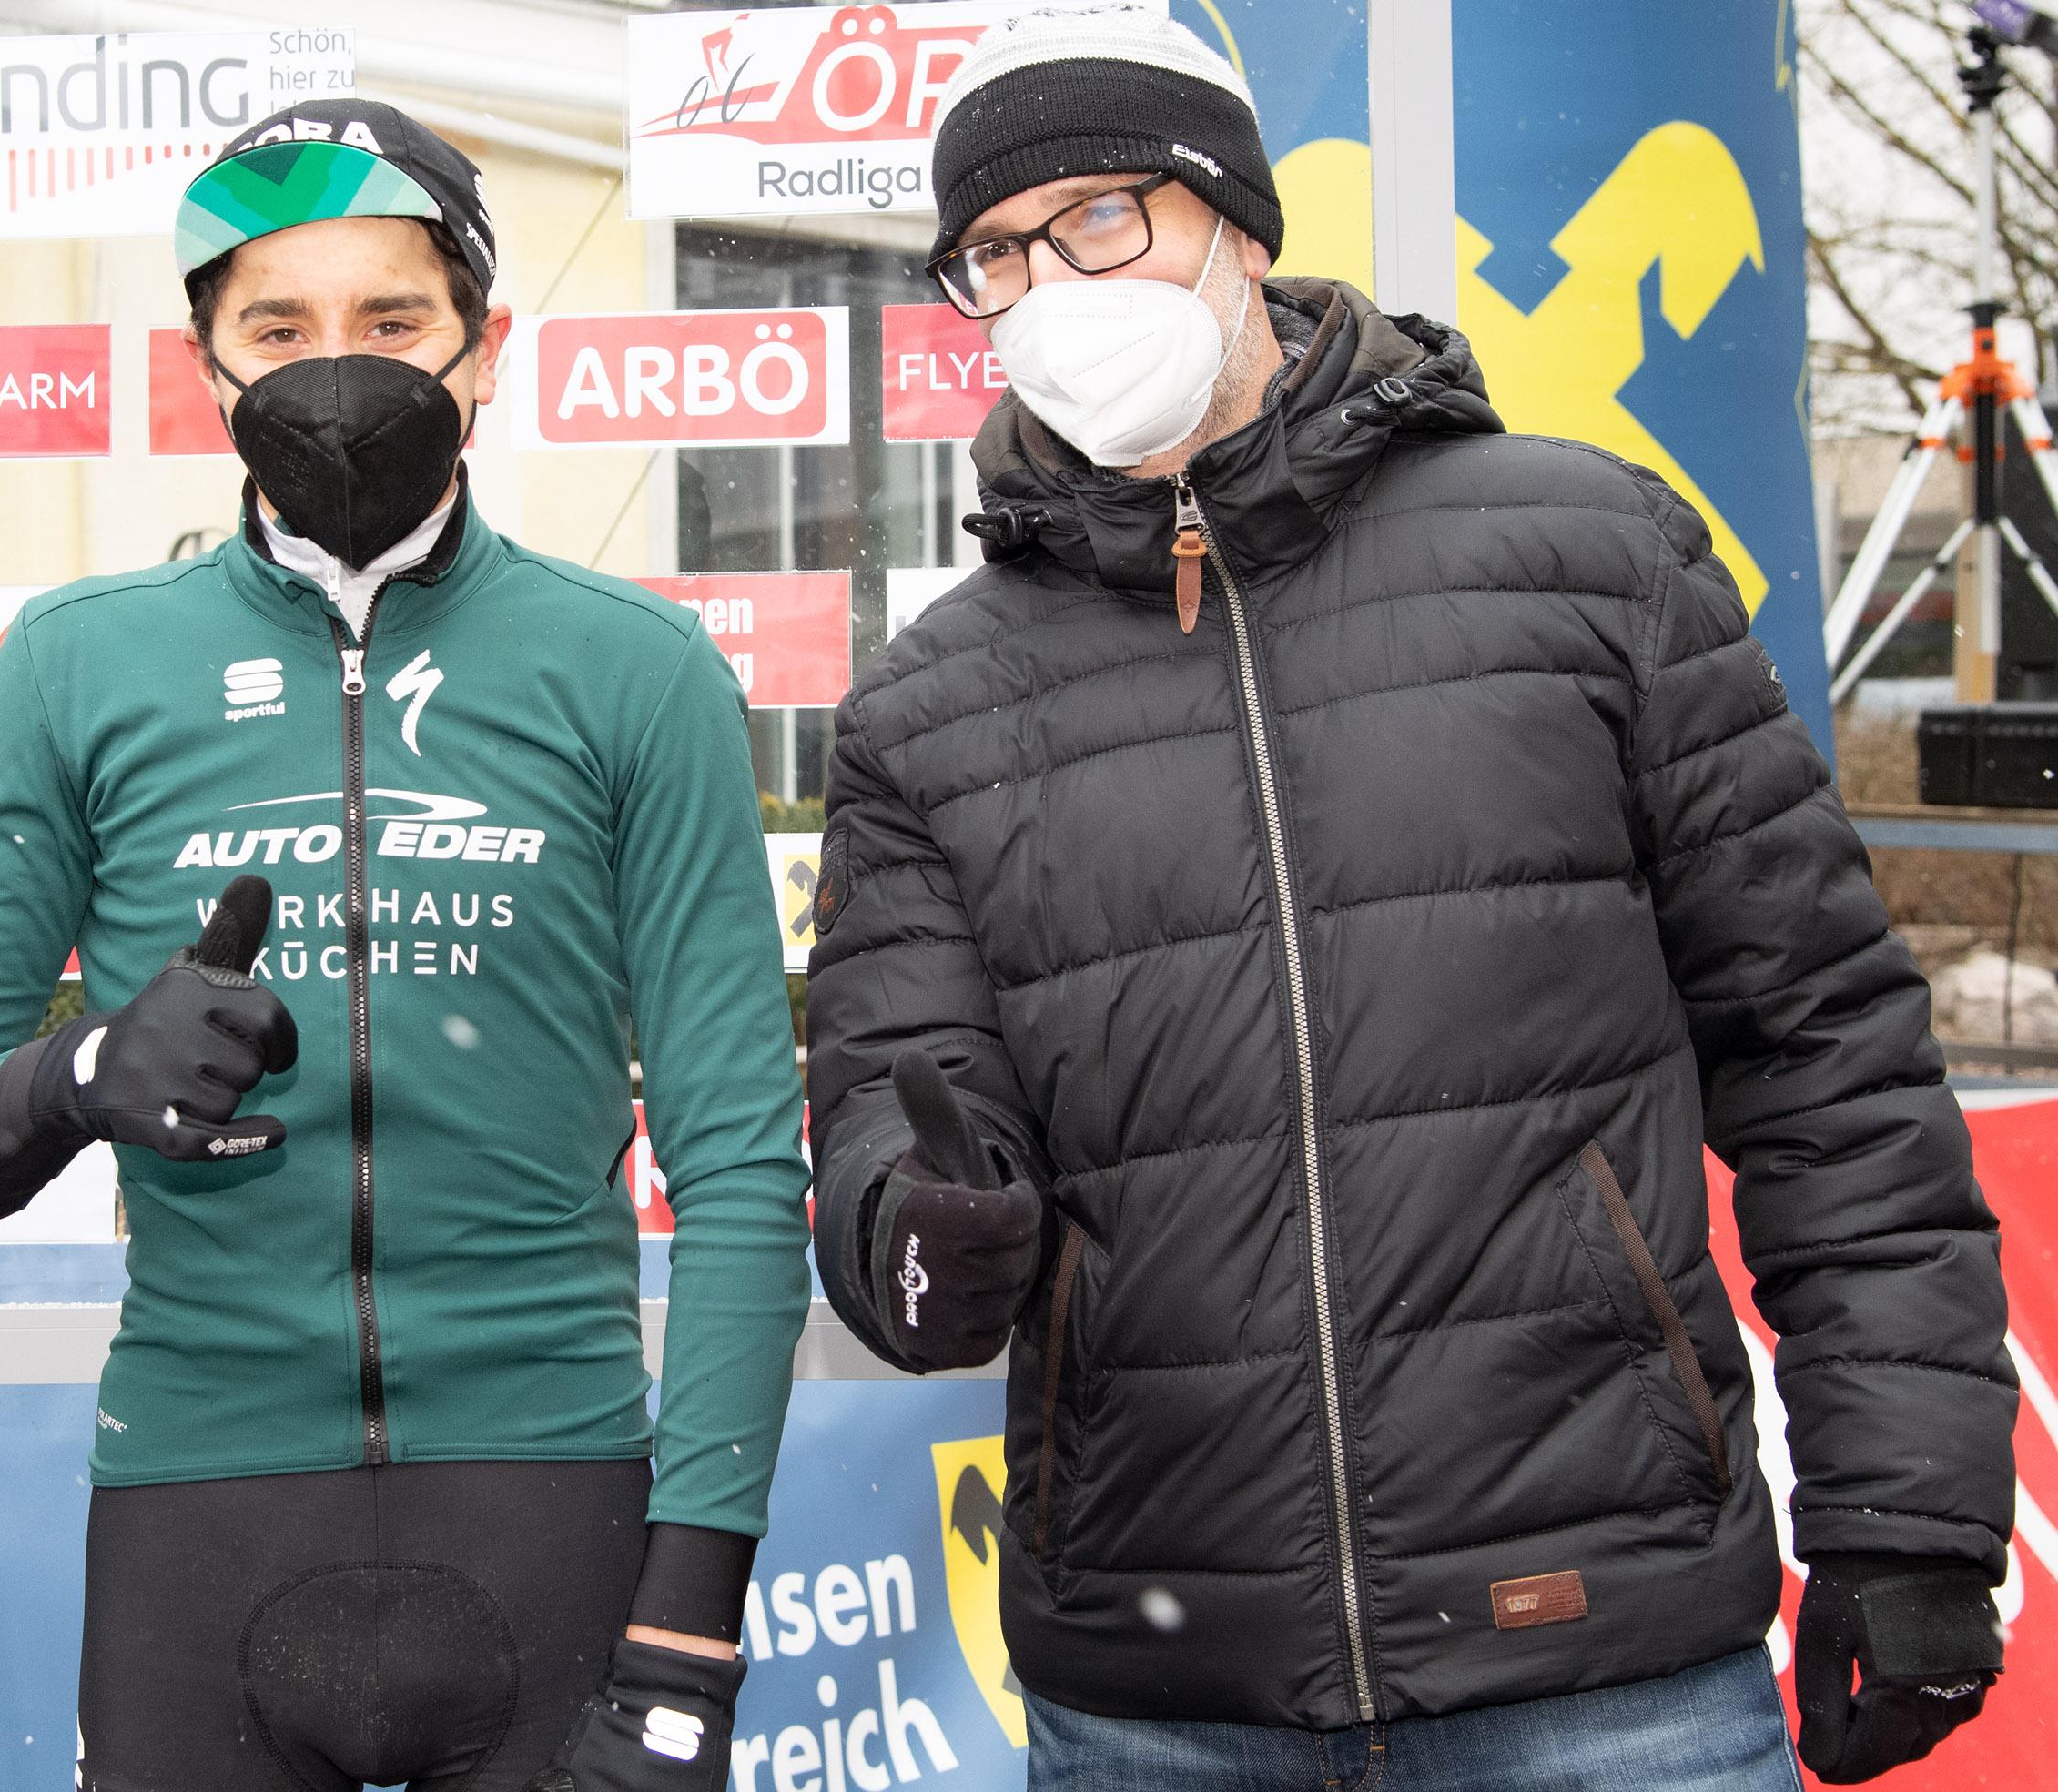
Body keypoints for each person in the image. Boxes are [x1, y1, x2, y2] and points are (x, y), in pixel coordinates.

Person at [805, 9, 2016, 1789]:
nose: (1050, 280)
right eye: (995, 250)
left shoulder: (1589, 559)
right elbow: (882, 1118)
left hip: (1603, 1666)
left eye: (1099, 217)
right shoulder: (932, 701)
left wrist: (1908, 1519)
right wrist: (913, 1223)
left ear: (1231, 218)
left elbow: (1825, 1060)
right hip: (1160, 1694)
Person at [0, 97, 808, 1792]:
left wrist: (688, 1635)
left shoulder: (634, 670)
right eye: (276, 327)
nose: (335, 369)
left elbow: (740, 1171)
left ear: (486, 346)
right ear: (205, 363)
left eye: (393, 322)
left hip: (550, 1502)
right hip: (199, 1525)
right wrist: (83, 1073)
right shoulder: (79, 665)